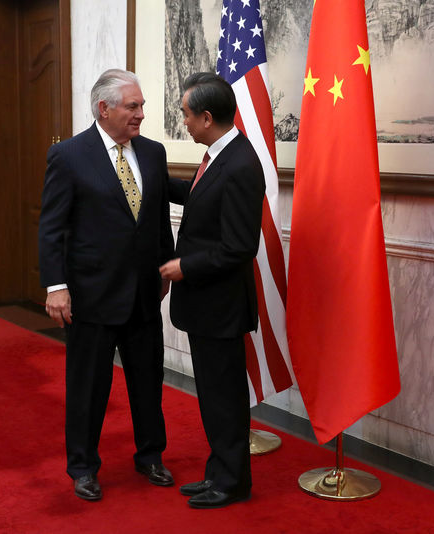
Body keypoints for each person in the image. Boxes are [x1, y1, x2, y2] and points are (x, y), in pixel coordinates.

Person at [38, 68, 175, 501]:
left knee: (148, 380)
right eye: (133, 106)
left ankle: (150, 455)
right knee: (88, 387)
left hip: (143, 294)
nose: (141, 114)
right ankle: (82, 466)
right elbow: (52, 227)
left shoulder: (152, 153)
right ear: (105, 108)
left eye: (141, 106)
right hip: (91, 296)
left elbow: (155, 219)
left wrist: (166, 264)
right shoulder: (69, 156)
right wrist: (55, 285)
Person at [159, 72, 265, 509]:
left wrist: (186, 266)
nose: (182, 121)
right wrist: (150, 175)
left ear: (206, 117)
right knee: (215, 396)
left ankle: (232, 483)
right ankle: (219, 473)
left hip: (219, 307)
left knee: (224, 400)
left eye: (185, 114)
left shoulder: (240, 163)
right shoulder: (218, 155)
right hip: (206, 307)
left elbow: (241, 246)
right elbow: (199, 196)